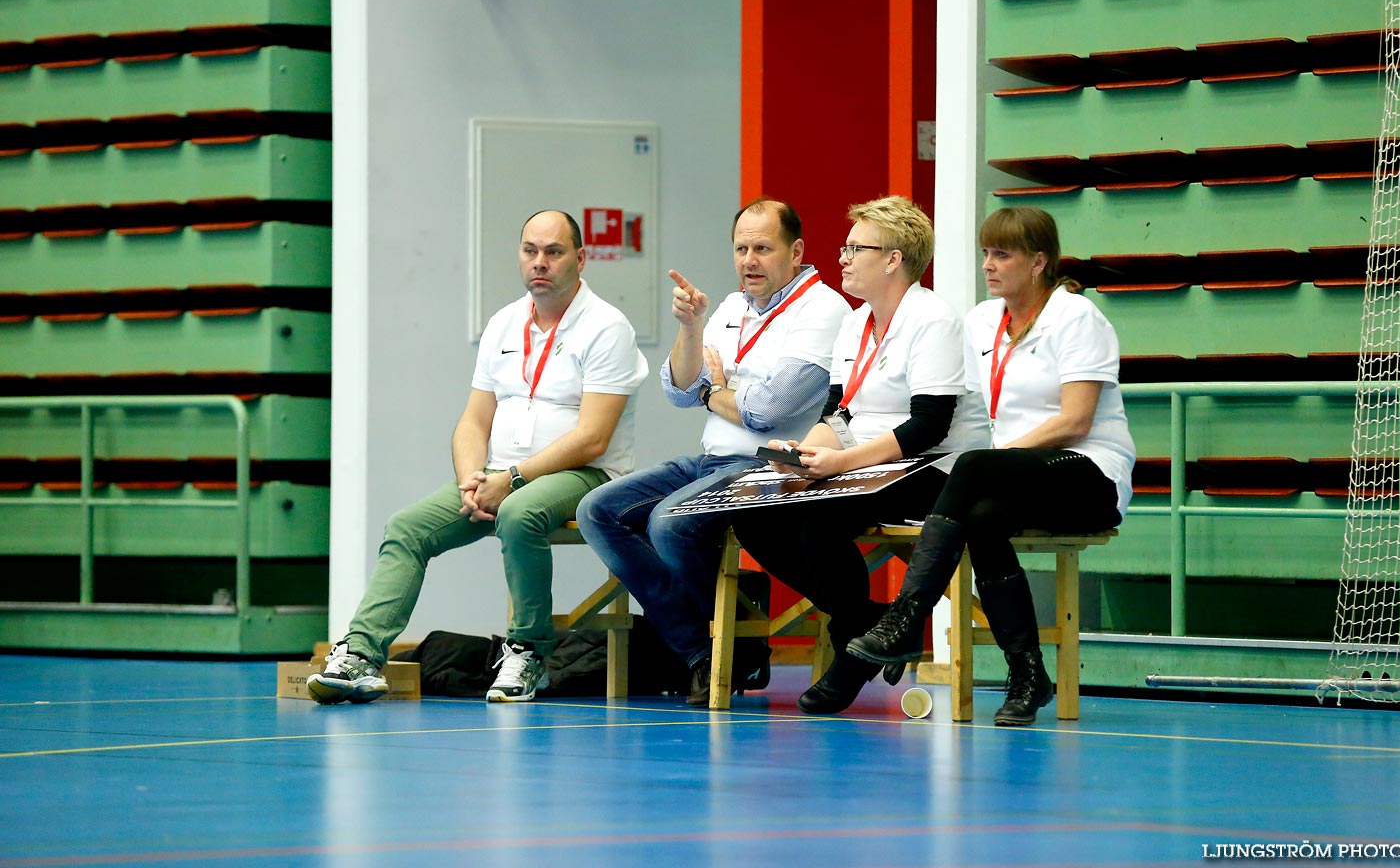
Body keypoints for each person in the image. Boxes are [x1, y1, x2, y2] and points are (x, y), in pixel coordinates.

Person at [309, 210, 649, 705]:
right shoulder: (505, 323)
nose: (540, 262)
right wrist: (472, 478)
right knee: (406, 527)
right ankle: (360, 655)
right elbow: (473, 421)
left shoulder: (607, 327)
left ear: (580, 258)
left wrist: (510, 481)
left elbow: (593, 438)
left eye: (553, 252)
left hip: (585, 476)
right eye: (530, 250)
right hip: (499, 475)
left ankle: (529, 653)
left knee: (519, 512)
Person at [845, 205, 1135, 725]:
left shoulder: (1076, 315)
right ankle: (1027, 673)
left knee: (975, 469)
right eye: (985, 253)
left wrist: (990, 460)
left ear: (1039, 262)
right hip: (1012, 474)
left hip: (1089, 472)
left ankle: (906, 618)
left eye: (1003, 254)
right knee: (980, 516)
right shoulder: (980, 321)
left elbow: (1075, 420)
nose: (988, 265)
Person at [575, 198, 848, 706]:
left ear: (797, 251)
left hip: (771, 464)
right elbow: (678, 390)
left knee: (669, 522)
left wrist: (712, 392)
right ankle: (707, 650)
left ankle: (730, 640)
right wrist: (691, 329)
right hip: (709, 459)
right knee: (598, 510)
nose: (749, 260)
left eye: (763, 248)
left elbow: (769, 409)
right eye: (741, 248)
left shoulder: (823, 309)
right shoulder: (730, 306)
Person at [729, 195, 990, 715]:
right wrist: (802, 452)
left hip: (937, 467)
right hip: (875, 462)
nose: (842, 257)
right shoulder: (856, 322)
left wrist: (843, 464)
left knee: (819, 520)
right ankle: (871, 624)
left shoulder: (932, 318)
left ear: (893, 258)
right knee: (755, 511)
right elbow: (839, 411)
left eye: (855, 248)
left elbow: (929, 425)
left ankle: (854, 652)